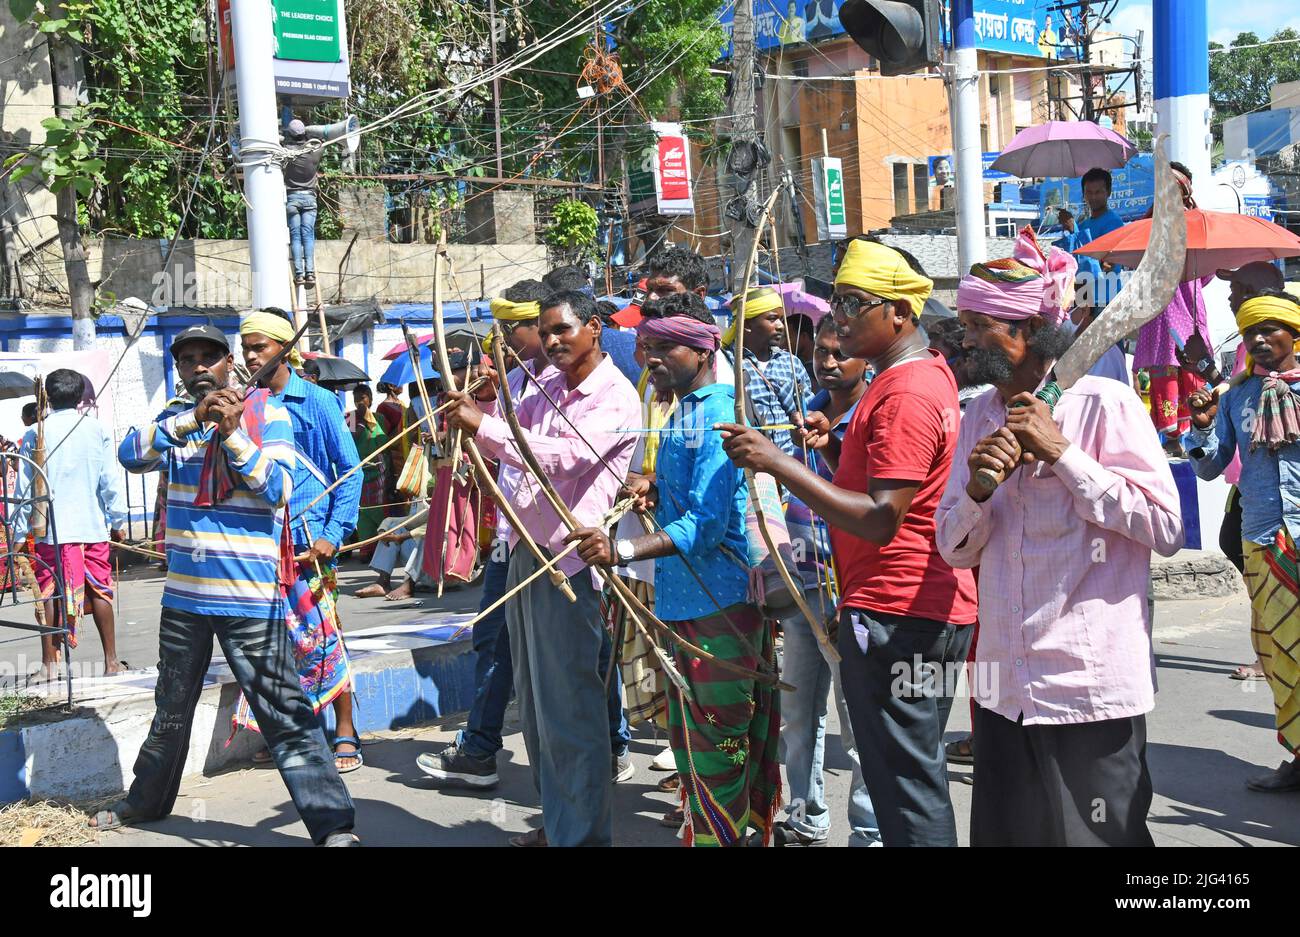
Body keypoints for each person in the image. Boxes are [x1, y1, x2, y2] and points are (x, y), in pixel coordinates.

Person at [719, 239, 978, 847]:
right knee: (901, 776)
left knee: (906, 782)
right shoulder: (908, 380)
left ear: (899, 314)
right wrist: (834, 452)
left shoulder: (906, 392)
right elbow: (889, 491)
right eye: (836, 302)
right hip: (904, 606)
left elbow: (883, 517)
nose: (837, 318)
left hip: (902, 611)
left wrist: (778, 463)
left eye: (854, 304)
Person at [936, 227, 1183, 846]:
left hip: (1087, 687)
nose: (963, 340)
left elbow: (1166, 526)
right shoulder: (978, 417)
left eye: (977, 325)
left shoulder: (1105, 404)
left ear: (1025, 331)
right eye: (964, 324)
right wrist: (977, 494)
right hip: (1003, 689)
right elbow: (952, 548)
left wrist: (1065, 456)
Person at [98, 324, 357, 845]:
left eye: (208, 358)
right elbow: (131, 456)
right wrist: (195, 420)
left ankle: (333, 826)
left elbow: (279, 489)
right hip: (186, 599)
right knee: (171, 707)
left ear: (228, 364)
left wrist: (234, 433)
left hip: (250, 600)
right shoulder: (173, 423)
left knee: (285, 712)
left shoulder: (268, 414)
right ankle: (144, 803)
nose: (197, 367)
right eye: (187, 359)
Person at [567, 291, 781, 847]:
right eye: (644, 348)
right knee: (692, 750)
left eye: (665, 348)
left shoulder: (715, 413)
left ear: (703, 348)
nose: (650, 359)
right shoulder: (682, 409)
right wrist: (653, 486)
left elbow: (706, 526)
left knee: (719, 750)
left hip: (721, 605)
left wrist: (624, 552)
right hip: (686, 602)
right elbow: (687, 498)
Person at [416, 277, 635, 791]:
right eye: (544, 331)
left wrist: (484, 427)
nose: (552, 340)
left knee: (568, 700)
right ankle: (555, 812)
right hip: (523, 550)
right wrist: (483, 409)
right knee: (537, 703)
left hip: (567, 563)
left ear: (595, 330)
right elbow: (512, 446)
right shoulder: (544, 386)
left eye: (562, 330)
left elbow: (564, 459)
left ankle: (580, 817)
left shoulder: (614, 396)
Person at [237, 310, 364, 774]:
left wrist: (333, 535)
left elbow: (350, 472)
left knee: (325, 635)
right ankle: (292, 732)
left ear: (283, 350)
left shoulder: (317, 401)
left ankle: (346, 730)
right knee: (277, 643)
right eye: (245, 347)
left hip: (309, 541)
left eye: (259, 347)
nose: (249, 356)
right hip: (263, 543)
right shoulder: (244, 404)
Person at [1185, 292, 1300, 792]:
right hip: (1261, 535)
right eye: (1251, 331)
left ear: (1294, 336)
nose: (1258, 339)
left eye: (1271, 329)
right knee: (1278, 651)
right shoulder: (1234, 398)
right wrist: (1203, 426)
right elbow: (1211, 468)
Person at [775, 314, 878, 846]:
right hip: (805, 582)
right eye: (821, 356)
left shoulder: (871, 416)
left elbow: (867, 503)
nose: (830, 364)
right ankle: (806, 813)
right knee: (798, 709)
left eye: (842, 354)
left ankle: (869, 829)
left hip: (851, 587)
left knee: (857, 720)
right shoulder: (809, 410)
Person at [13, 368, 128, 679]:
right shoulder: (97, 430)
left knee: (49, 593)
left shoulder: (36, 432)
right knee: (101, 591)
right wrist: (119, 520)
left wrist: (18, 533)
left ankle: (50, 665)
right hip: (91, 527)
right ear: (80, 397)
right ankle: (111, 662)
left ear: (48, 397)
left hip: (50, 530)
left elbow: (24, 487)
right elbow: (109, 481)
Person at [723, 286, 812, 459]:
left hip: (791, 466)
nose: (780, 326)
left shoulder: (791, 362)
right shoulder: (728, 362)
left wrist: (803, 418)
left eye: (781, 319)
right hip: (749, 468)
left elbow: (809, 407)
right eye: (772, 319)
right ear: (747, 324)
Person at [1055, 167, 1125, 309]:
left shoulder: (1114, 222)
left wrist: (1073, 229)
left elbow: (1104, 265)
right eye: (1089, 192)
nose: (1093, 197)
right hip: (1084, 299)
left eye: (1098, 192)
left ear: (1109, 192)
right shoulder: (1084, 224)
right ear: (1083, 194)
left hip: (1105, 300)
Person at [282, 119, 326, 290]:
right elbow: (322, 141)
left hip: (292, 198)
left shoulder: (287, 152)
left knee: (295, 236)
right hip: (309, 198)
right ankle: (310, 273)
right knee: (307, 236)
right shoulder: (316, 152)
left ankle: (298, 275)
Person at [347, 384, 389, 561]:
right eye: (356, 398)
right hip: (359, 469)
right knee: (362, 512)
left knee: (379, 509)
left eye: (363, 397)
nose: (359, 401)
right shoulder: (350, 419)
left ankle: (384, 548)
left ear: (370, 399)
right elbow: (349, 441)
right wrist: (361, 422)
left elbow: (386, 443)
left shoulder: (379, 418)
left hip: (378, 470)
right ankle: (366, 548)